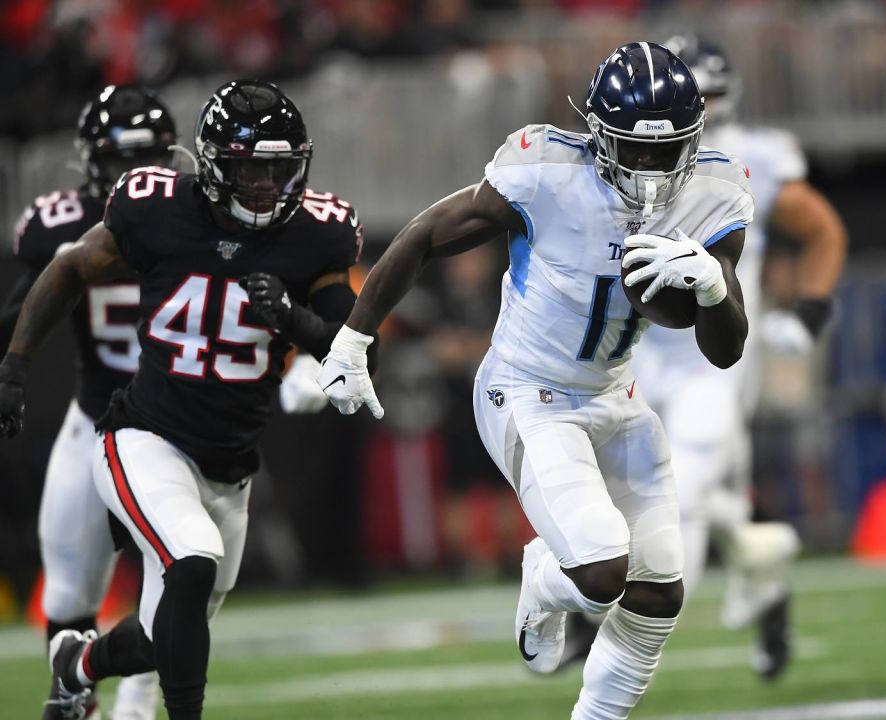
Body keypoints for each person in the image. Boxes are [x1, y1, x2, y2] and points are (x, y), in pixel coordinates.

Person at [317, 41, 752, 719]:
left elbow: (726, 350)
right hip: (527, 390)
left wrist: (714, 286)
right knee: (603, 571)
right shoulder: (546, 171)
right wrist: (355, 332)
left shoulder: (715, 190)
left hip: (616, 395)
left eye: (666, 153)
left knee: (660, 587)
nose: (650, 170)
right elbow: (428, 232)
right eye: (634, 150)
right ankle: (543, 578)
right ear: (599, 135)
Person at [0, 79, 365, 720]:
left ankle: (77, 665)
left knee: (161, 630)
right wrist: (13, 368)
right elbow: (66, 270)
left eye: (277, 170)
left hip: (229, 462)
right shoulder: (155, 209)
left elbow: (356, 346)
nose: (261, 184)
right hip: (140, 432)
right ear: (210, 164)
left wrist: (296, 322)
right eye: (246, 168)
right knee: (188, 563)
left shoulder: (316, 234)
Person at [622, 34, 849, 681]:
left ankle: (624, 632)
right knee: (704, 492)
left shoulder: (753, 156)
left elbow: (824, 229)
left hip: (712, 358)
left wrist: (808, 314)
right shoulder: (620, 152)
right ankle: (763, 566)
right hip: (636, 353)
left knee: (682, 492)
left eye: (713, 95)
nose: (705, 108)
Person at [0, 83, 175, 720]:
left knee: (182, 580)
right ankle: (79, 705)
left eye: (145, 158)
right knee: (68, 591)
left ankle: (137, 700)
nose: (132, 176)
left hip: (178, 424)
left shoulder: (200, 217)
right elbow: (26, 306)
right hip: (95, 417)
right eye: (120, 160)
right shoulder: (61, 225)